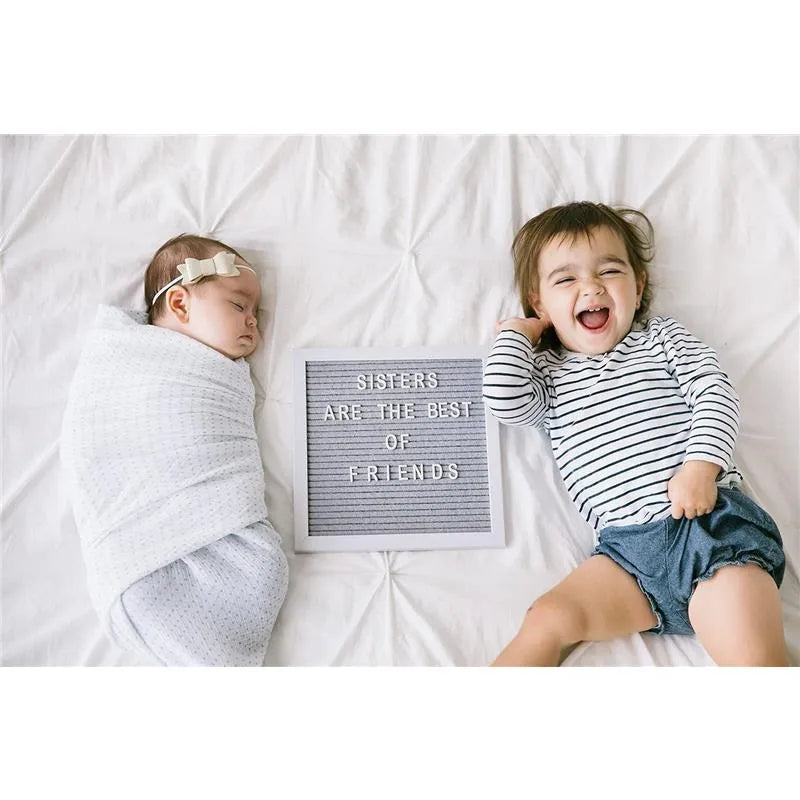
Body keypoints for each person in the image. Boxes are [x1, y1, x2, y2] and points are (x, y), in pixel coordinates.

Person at [482, 202, 788, 666]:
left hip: (710, 533)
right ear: (540, 303)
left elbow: (715, 394)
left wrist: (700, 468)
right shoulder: (547, 375)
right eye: (565, 279)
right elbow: (501, 397)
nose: (591, 287)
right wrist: (518, 334)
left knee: (751, 654)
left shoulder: (661, 339)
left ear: (638, 285)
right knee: (548, 618)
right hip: (627, 556)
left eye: (609, 271)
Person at [61, 234, 289, 666]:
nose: (253, 323)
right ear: (181, 304)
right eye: (239, 306)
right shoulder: (125, 361)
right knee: (158, 595)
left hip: (221, 531)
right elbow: (97, 437)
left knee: (265, 570)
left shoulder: (219, 376)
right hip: (141, 545)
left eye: (256, 313)